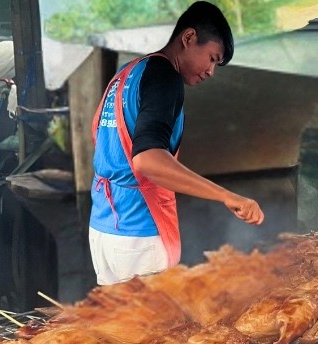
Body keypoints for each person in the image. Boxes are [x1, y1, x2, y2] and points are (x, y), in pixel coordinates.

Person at [89, 1, 264, 286]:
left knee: (118, 325)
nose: (210, 71)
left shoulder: (129, 72)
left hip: (104, 230)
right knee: (157, 329)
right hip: (139, 233)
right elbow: (147, 159)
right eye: (212, 58)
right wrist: (227, 196)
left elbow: (98, 136)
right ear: (189, 38)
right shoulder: (165, 77)